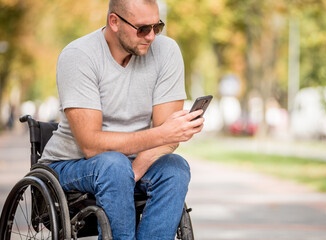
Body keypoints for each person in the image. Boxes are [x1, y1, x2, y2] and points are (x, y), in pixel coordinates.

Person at [39, 0, 205, 239]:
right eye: (142, 29)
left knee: (175, 168)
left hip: (129, 165)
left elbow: (168, 139)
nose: (151, 37)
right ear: (114, 22)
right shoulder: (78, 56)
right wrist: (162, 135)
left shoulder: (167, 52)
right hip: (71, 165)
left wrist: (133, 171)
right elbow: (91, 145)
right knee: (113, 165)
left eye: (157, 27)